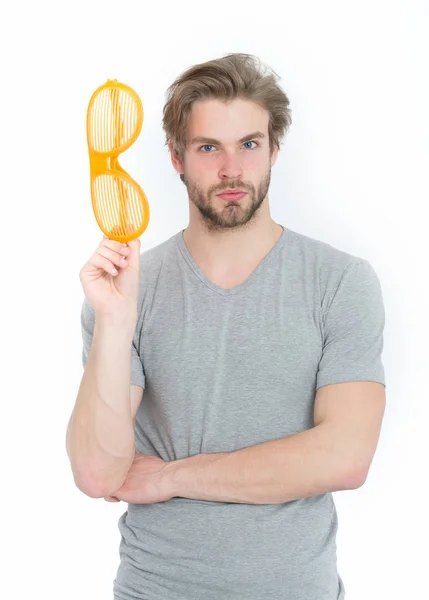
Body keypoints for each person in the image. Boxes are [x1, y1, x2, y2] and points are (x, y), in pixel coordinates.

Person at [66, 53, 386, 600]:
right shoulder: (125, 293)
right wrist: (117, 320)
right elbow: (99, 474)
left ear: (275, 151)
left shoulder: (341, 282)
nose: (232, 169)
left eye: (250, 144)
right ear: (177, 158)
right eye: (209, 147)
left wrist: (170, 477)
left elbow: (345, 456)